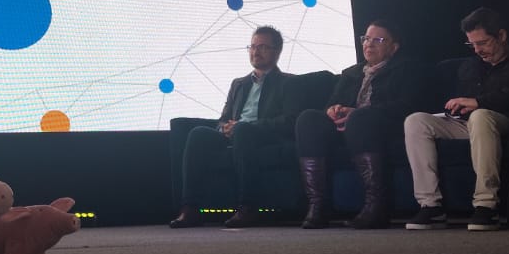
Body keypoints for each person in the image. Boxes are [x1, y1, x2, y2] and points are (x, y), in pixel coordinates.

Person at [403, 6, 509, 231]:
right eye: (472, 44)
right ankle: (430, 205)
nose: (478, 50)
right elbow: (467, 100)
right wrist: (458, 107)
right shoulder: (470, 66)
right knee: (416, 121)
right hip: (471, 123)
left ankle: (486, 205)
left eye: (483, 43)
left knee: (480, 115)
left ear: (502, 35)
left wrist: (479, 102)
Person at [293, 20, 427, 229]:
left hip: (381, 126)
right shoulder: (351, 73)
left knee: (361, 119)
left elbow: (407, 105)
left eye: (378, 40)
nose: (369, 44)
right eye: (366, 39)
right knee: (308, 118)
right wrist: (333, 110)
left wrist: (358, 113)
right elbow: (331, 103)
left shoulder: (407, 68)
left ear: (394, 47)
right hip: (345, 126)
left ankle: (376, 206)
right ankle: (318, 205)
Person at [168, 26, 297, 230]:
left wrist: (246, 126)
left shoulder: (289, 83)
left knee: (243, 130)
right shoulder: (239, 84)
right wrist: (225, 129)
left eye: (262, 47)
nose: (255, 52)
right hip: (235, 134)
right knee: (198, 134)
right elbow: (223, 119)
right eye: (252, 46)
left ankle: (248, 207)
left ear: (277, 51)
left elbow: (288, 121)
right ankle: (190, 208)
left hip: (263, 136)